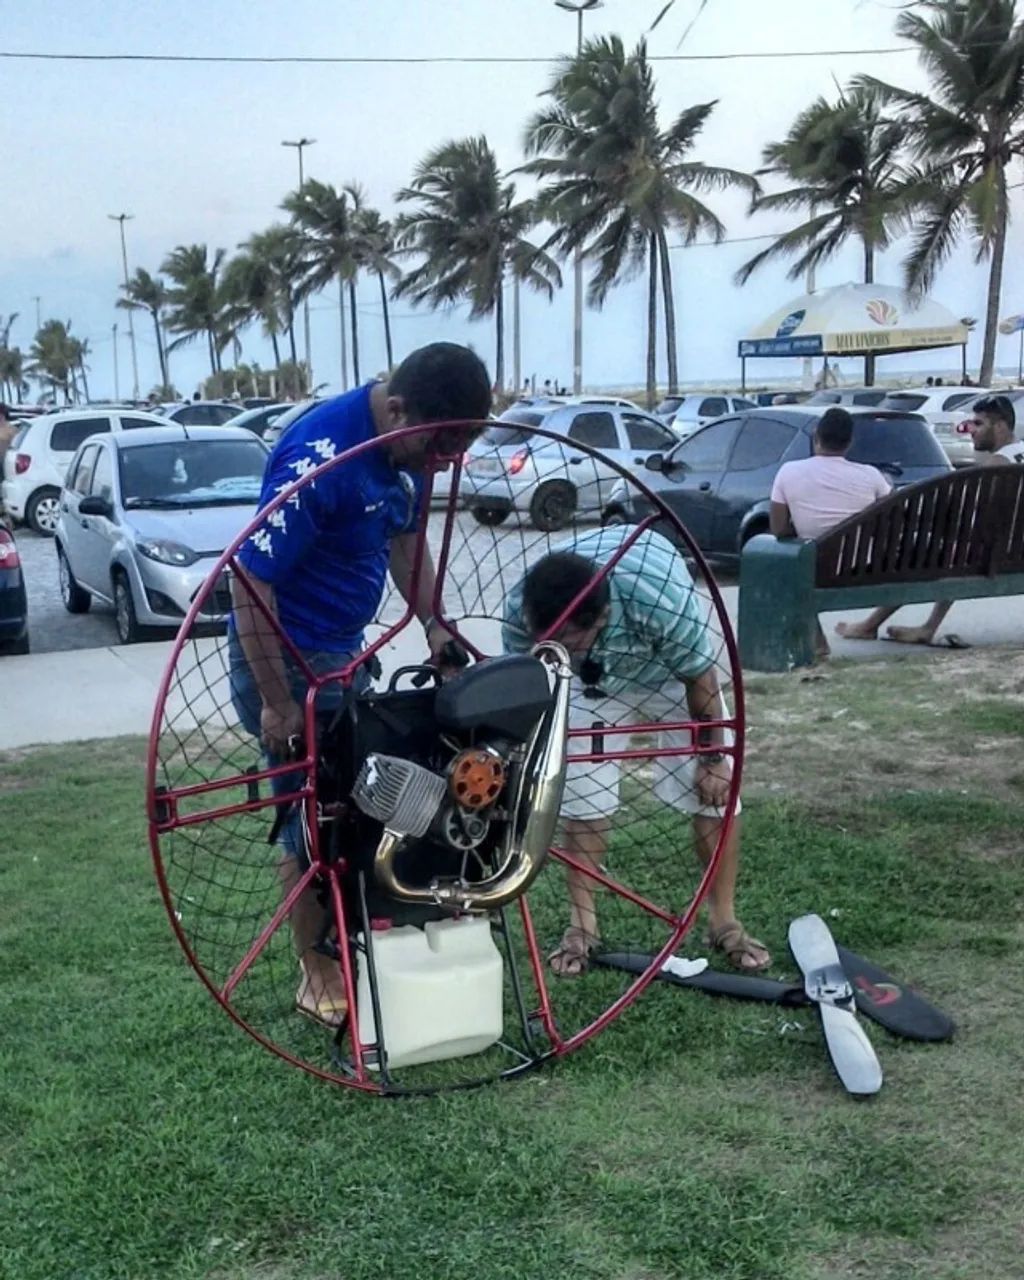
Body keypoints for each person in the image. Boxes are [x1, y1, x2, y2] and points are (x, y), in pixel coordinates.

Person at [229, 343, 493, 1027]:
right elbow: (248, 579)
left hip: (346, 654)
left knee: (364, 801)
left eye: (459, 448)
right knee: (307, 818)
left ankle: (360, 938)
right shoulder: (321, 459)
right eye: (442, 444)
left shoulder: (408, 448)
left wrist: (435, 625)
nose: (445, 461)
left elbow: (406, 539)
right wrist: (278, 702)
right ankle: (316, 974)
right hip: (287, 655)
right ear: (399, 411)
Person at [502, 525, 770, 977]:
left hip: (670, 672)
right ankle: (581, 925)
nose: (553, 642)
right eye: (544, 633)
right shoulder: (519, 611)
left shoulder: (657, 598)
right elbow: (525, 686)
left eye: (567, 637)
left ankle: (724, 920)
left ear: (601, 617)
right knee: (583, 793)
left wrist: (711, 760)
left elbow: (700, 680)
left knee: (715, 792)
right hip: (589, 684)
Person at [836, 395, 1021, 647]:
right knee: (951, 552)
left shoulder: (996, 465)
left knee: (923, 553)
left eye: (978, 424)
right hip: (1012, 553)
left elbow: (972, 516)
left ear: (1000, 427)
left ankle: (869, 625)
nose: (971, 431)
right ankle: (927, 627)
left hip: (990, 555)